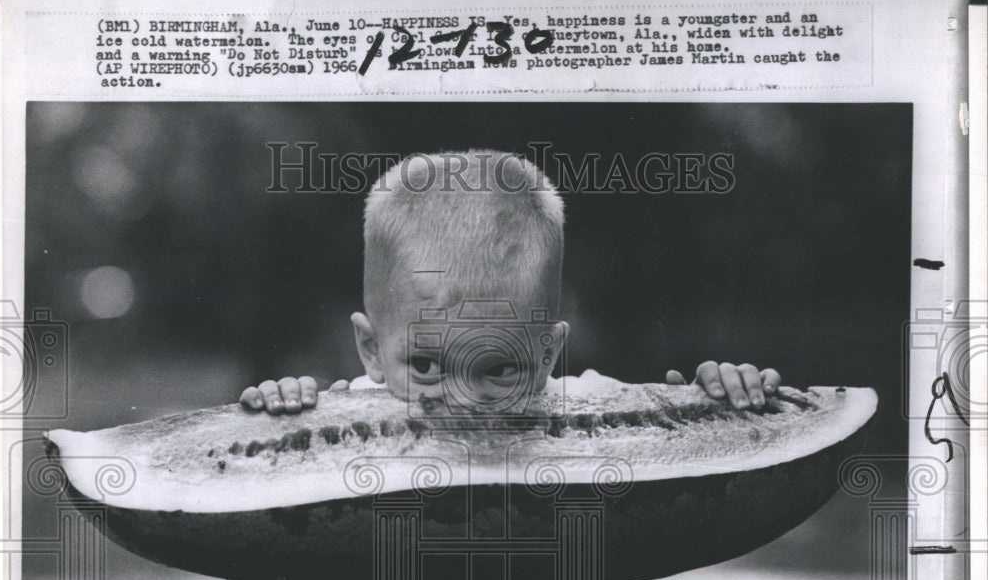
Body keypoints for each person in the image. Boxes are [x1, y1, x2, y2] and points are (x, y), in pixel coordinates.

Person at [240, 150, 779, 415]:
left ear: (549, 354)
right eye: (425, 366)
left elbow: (680, 420)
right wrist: (274, 414)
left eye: (500, 369)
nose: (467, 404)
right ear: (371, 350)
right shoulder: (344, 406)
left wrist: (723, 398)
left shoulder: (591, 401)